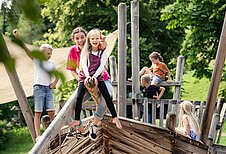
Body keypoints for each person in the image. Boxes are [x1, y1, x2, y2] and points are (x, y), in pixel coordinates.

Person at [69, 29, 122, 132]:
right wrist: (86, 79)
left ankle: (98, 122)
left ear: (86, 38)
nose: (80, 40)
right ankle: (79, 125)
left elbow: (103, 52)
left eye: (82, 37)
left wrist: (94, 77)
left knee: (107, 96)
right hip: (85, 78)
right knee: (76, 100)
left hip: (100, 77)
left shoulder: (100, 50)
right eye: (77, 38)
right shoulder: (76, 51)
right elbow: (74, 69)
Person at [13, 29, 59, 142]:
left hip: (48, 89)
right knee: (38, 112)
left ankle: (56, 132)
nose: (49, 55)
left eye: (50, 54)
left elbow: (57, 75)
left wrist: (54, 83)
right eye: (48, 53)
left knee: (51, 112)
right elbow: (27, 51)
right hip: (38, 88)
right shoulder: (37, 60)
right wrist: (18, 38)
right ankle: (38, 135)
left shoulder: (52, 63)